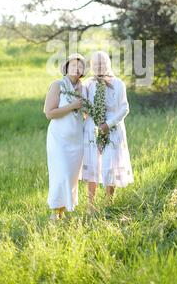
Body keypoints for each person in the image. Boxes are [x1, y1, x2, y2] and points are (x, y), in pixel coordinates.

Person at [81, 51, 134, 213]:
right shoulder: (88, 84)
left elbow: (124, 108)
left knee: (110, 165)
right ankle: (91, 205)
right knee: (93, 165)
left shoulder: (118, 84)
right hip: (92, 128)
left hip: (113, 128)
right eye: (95, 64)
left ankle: (108, 203)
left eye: (102, 63)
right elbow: (83, 106)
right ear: (91, 66)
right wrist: (92, 118)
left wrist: (108, 124)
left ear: (108, 64)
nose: (99, 66)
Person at [43, 53, 87, 221]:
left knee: (71, 176)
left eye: (80, 66)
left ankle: (64, 210)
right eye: (73, 65)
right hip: (59, 140)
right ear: (66, 67)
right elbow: (49, 113)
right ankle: (55, 212)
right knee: (61, 174)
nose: (77, 68)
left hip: (76, 139)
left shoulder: (83, 88)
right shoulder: (58, 85)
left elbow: (83, 114)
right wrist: (72, 106)